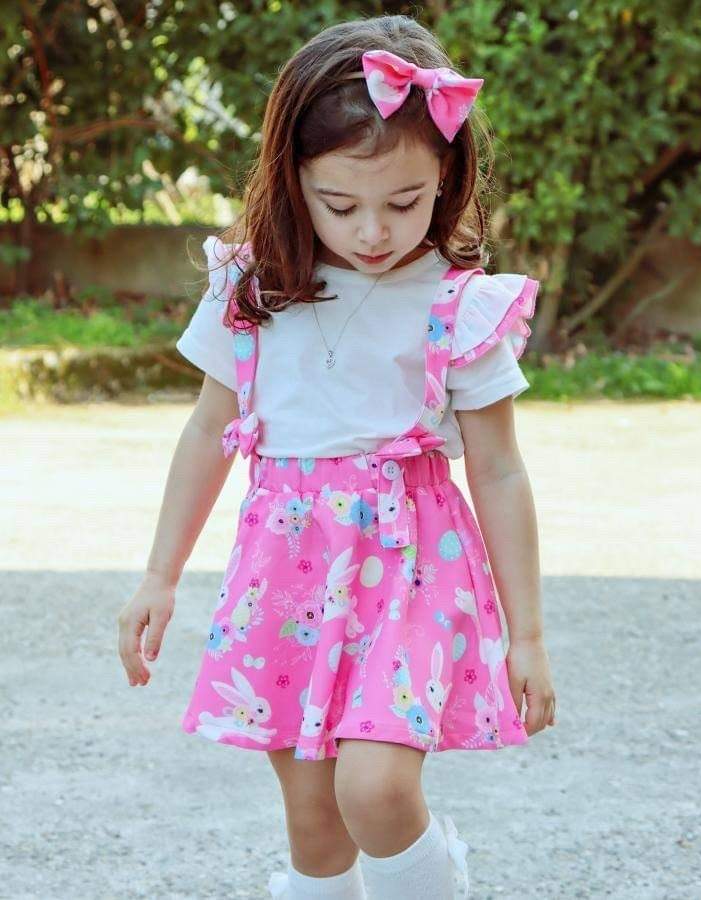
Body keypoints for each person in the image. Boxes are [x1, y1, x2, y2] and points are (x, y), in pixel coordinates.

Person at [117, 14, 556, 900]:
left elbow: (500, 469)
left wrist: (530, 635)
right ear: (293, 181)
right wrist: (159, 576)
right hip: (288, 574)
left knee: (376, 788)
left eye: (405, 202)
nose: (373, 232)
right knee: (316, 823)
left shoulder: (460, 306)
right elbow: (206, 431)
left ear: (446, 178)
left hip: (412, 569)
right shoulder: (252, 291)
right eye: (341, 204)